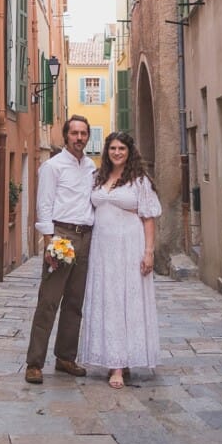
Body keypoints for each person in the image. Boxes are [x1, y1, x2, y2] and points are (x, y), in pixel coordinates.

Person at [78, 131, 162, 388]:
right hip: (102, 250)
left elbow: (148, 218)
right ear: (107, 151)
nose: (117, 152)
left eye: (121, 149)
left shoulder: (139, 181)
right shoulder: (97, 178)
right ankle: (114, 358)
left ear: (129, 152)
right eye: (113, 148)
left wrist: (148, 252)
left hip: (129, 247)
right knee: (108, 301)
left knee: (127, 302)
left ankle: (119, 366)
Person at [24, 114, 97, 384]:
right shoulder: (52, 167)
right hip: (62, 236)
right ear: (66, 136)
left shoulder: (91, 166)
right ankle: (34, 363)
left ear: (88, 137)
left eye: (83, 133)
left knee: (75, 303)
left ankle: (66, 357)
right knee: (49, 301)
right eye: (74, 133)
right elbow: (44, 204)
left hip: (86, 237)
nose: (79, 138)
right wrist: (48, 242)